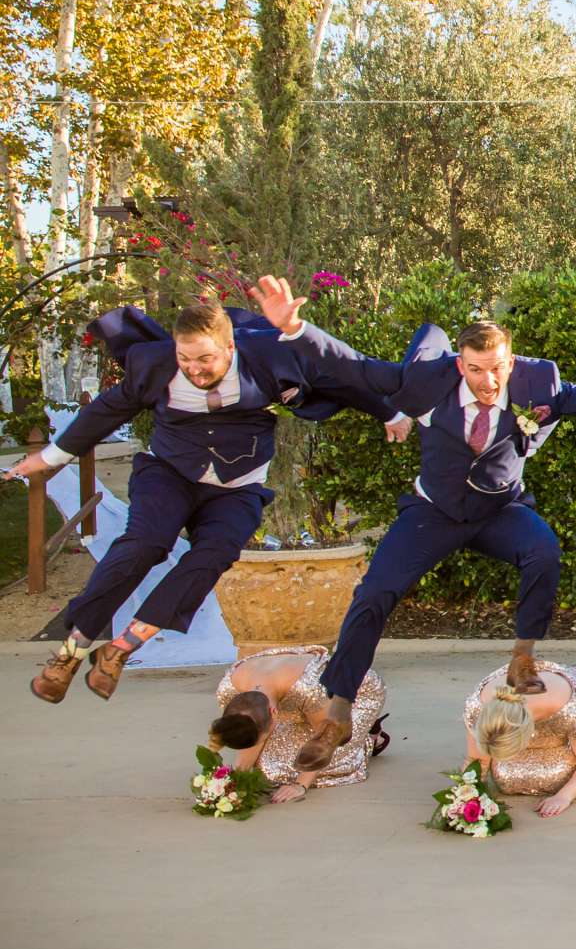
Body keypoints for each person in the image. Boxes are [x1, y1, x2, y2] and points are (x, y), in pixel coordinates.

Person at [247, 273, 576, 770]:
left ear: (510, 362)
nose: (487, 382)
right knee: (375, 591)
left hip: (499, 509)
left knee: (543, 551)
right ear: (458, 365)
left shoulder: (540, 383)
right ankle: (338, 710)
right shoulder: (425, 381)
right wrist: (296, 329)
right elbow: (354, 366)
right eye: (474, 371)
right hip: (435, 511)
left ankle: (523, 657)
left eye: (496, 370)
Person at [16, 299, 400, 706]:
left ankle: (121, 650)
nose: (194, 369)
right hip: (168, 473)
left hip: (238, 485)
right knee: (145, 544)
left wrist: (389, 413)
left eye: (205, 359)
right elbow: (107, 411)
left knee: (214, 552)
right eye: (185, 358)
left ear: (230, 348)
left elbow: (338, 377)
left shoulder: (271, 355)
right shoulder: (153, 364)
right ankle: (71, 651)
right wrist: (50, 457)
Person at [209, 644, 390, 800]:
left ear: (274, 712)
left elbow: (327, 738)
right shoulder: (229, 689)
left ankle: (367, 737)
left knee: (282, 770)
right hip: (304, 708)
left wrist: (300, 785)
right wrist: (235, 779)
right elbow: (252, 730)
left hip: (352, 696)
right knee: (265, 766)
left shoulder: (307, 689)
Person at [463, 660, 576, 816]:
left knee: (556, 776)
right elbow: (475, 760)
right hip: (529, 708)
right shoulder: (477, 709)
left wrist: (564, 797)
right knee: (506, 778)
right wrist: (468, 798)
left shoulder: (565, 708)